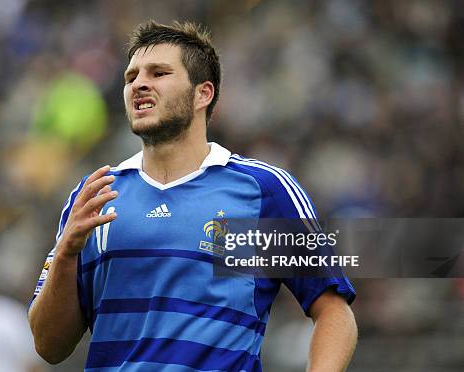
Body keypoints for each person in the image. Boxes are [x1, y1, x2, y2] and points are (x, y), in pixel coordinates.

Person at [29, 20, 357, 371]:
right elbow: (49, 346)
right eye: (131, 77)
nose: (139, 83)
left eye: (158, 73)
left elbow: (333, 312)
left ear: (203, 93)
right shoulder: (96, 194)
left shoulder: (261, 191)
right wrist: (65, 253)